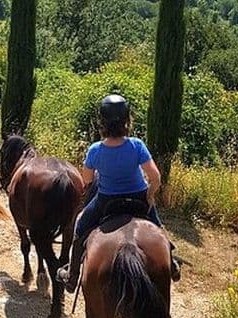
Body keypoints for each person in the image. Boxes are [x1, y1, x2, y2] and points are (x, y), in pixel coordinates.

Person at [56, 94, 180, 292]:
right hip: (139, 198)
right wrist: (150, 194)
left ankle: (72, 276)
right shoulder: (137, 145)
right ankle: (171, 263)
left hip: (107, 201)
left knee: (80, 228)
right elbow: (155, 177)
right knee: (157, 228)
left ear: (102, 122)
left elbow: (87, 180)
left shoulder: (95, 150)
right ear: (127, 121)